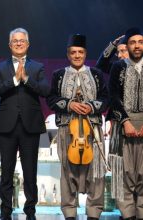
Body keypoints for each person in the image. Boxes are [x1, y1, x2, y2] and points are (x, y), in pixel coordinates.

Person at [47, 34, 108, 220]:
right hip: (68, 130)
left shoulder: (96, 74)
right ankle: (70, 213)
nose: (77, 55)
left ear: (85, 53)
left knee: (97, 172)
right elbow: (50, 99)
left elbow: (106, 99)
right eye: (73, 52)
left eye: (80, 52)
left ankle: (93, 213)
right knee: (67, 173)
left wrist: (91, 106)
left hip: (93, 129)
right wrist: (69, 104)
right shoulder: (59, 74)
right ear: (68, 54)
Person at [0, 27, 50, 220]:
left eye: (21, 40)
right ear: (9, 45)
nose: (18, 43)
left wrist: (26, 79)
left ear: (28, 44)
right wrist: (14, 81)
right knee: (6, 172)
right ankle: (5, 212)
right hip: (7, 126)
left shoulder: (37, 67)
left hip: (30, 126)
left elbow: (45, 90)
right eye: (15, 41)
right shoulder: (0, 68)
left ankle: (30, 212)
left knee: (30, 172)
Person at [108, 27, 143, 220]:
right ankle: (127, 215)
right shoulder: (118, 67)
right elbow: (113, 95)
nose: (137, 45)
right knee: (121, 174)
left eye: (140, 42)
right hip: (123, 127)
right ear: (128, 45)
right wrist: (125, 121)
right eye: (133, 42)